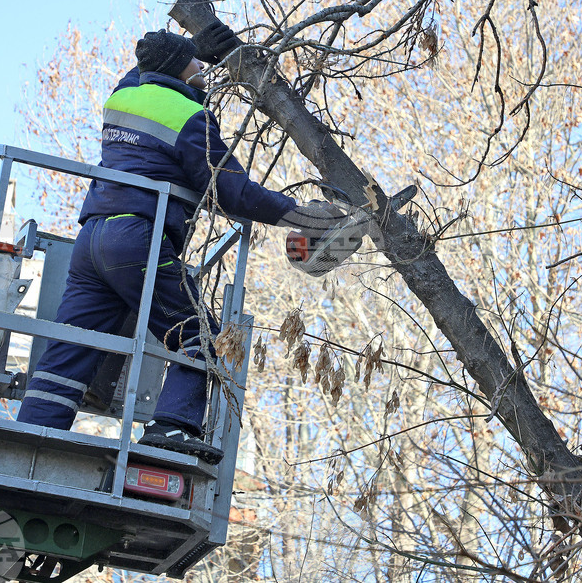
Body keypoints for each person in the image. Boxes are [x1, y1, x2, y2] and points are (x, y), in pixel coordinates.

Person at [17, 23, 341, 464]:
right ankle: (172, 427)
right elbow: (233, 193)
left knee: (70, 347)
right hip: (136, 240)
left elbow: (147, 76)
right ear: (180, 69)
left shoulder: (123, 97)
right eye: (196, 64)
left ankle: (31, 435)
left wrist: (190, 60)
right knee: (200, 335)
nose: (204, 72)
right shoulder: (190, 118)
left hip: (91, 239)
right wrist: (299, 214)